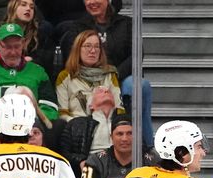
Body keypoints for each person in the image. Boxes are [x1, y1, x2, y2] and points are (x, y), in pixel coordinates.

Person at [65, 0, 153, 145]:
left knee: (139, 86)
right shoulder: (77, 26)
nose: (91, 2)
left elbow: (137, 54)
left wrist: (114, 75)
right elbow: (73, 57)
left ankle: (147, 148)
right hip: (90, 78)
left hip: (121, 77)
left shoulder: (127, 23)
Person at [0, 23, 58, 133]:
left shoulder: (38, 71)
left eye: (17, 46)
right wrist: (1, 117)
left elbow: (50, 106)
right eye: (7, 47)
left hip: (30, 125)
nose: (13, 52)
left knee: (58, 125)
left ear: (24, 43)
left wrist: (29, 118)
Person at [55, 29, 122, 121]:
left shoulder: (110, 74)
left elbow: (120, 109)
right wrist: (77, 125)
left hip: (106, 126)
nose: (93, 51)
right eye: (87, 46)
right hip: (75, 128)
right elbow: (62, 113)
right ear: (78, 49)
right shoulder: (65, 76)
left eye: (97, 46)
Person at [0, 0, 55, 76]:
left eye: (32, 7)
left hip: (29, 76)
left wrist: (32, 60)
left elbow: (48, 58)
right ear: (13, 7)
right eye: (23, 5)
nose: (28, 9)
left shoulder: (39, 33)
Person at [58, 85, 118, 174]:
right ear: (90, 105)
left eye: (108, 91)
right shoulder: (76, 124)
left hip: (119, 168)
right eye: (100, 91)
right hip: (90, 167)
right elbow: (63, 153)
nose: (106, 91)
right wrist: (81, 161)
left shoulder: (127, 123)